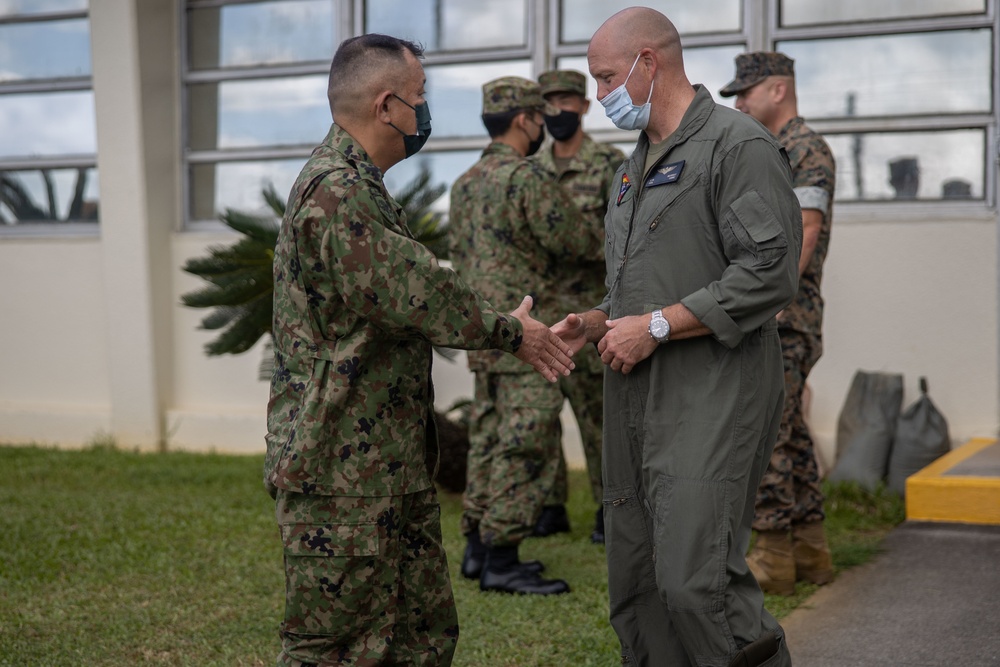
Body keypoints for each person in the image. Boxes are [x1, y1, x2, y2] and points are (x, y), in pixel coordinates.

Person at [264, 34, 577, 666]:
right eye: (420, 96)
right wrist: (516, 333)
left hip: (384, 467)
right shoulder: (336, 193)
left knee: (419, 640)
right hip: (342, 478)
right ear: (386, 107)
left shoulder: (361, 186)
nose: (425, 110)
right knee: (335, 651)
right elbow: (417, 290)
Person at [553, 8, 801, 666]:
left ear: (648, 63)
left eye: (606, 76)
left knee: (698, 585)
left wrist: (658, 326)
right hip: (638, 398)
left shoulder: (736, 145)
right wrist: (594, 322)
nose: (600, 92)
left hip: (712, 394)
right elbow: (640, 289)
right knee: (637, 582)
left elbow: (770, 272)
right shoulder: (631, 170)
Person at [449, 76, 603, 595]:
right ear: (524, 121)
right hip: (526, 333)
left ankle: (477, 548)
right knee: (527, 440)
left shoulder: (465, 182)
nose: (544, 125)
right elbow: (578, 239)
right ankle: (503, 558)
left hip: (483, 331)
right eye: (540, 117)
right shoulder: (525, 179)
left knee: (490, 436)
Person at [720, 51, 837, 597]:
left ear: (778, 89)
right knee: (788, 432)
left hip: (785, 319)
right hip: (786, 316)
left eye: (746, 92)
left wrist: (761, 303)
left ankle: (771, 553)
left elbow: (806, 233)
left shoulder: (804, 149)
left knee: (766, 432)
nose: (739, 102)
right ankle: (809, 551)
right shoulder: (771, 148)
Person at [531, 69, 625, 543]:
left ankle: (611, 510)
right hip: (544, 316)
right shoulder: (532, 168)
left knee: (599, 422)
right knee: (540, 418)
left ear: (584, 107)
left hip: (589, 316)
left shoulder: (610, 163)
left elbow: (622, 239)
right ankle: (550, 507)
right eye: (548, 104)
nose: (557, 113)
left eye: (567, 102)